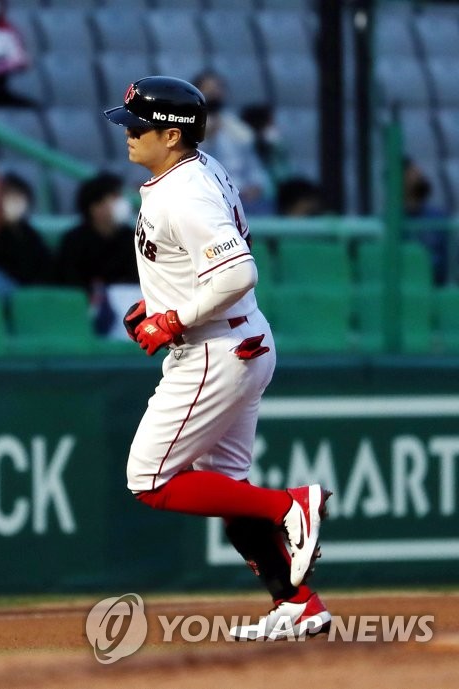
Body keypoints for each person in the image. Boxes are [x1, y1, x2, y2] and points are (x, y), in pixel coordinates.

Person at [104, 76, 331, 640]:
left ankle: (290, 505)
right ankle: (298, 603)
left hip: (215, 349)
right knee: (230, 494)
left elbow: (237, 271)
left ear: (173, 135)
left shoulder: (185, 191)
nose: (129, 133)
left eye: (140, 125)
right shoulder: (188, 174)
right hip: (237, 340)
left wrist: (173, 317)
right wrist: (155, 305)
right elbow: (196, 265)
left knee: (148, 479)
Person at [54, 172, 138, 335]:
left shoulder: (132, 238)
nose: (120, 203)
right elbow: (68, 281)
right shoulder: (73, 241)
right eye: (113, 198)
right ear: (94, 207)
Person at [192, 70, 274, 216]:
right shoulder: (184, 126)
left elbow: (254, 168)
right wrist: (206, 137)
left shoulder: (237, 129)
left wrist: (255, 187)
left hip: (241, 197)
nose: (214, 93)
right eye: (208, 90)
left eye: (217, 89)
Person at [0, 171, 53, 295]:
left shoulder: (30, 236)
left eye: (19, 198)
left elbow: (43, 272)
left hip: (23, 302)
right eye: (9, 197)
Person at [402, 158, 450, 285]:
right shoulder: (386, 222)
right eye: (411, 174)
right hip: (404, 288)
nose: (418, 176)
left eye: (418, 174)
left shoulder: (439, 218)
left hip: (434, 288)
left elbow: (448, 264)